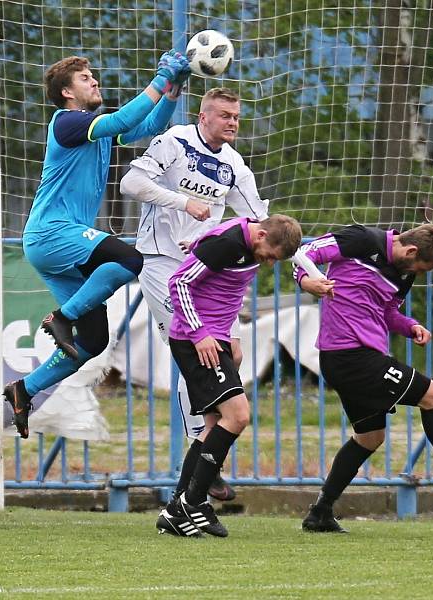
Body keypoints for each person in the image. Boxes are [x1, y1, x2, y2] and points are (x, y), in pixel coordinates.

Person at [2, 52, 191, 439]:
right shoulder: (68, 123)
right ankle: (63, 317)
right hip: (52, 233)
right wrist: (160, 76)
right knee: (129, 259)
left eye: (92, 76)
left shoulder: (95, 128)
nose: (94, 82)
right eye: (85, 78)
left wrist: (173, 89)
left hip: (58, 244)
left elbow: (147, 124)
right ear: (68, 93)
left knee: (92, 343)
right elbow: (123, 119)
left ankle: (25, 390)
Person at [293, 223, 433, 533]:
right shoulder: (360, 239)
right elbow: (303, 253)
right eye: (423, 266)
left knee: (369, 438)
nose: (420, 273)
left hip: (360, 358)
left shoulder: (405, 273)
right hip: (350, 357)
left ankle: (320, 512)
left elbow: (388, 312)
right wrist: (306, 282)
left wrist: (410, 326)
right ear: (411, 251)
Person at [120, 87, 269, 502]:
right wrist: (183, 202)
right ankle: (205, 455)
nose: (232, 122)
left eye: (236, 116)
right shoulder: (174, 142)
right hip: (163, 264)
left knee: (232, 355)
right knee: (197, 351)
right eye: (224, 115)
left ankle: (205, 456)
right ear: (204, 117)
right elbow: (130, 182)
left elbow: (261, 222)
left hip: (205, 273)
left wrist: (302, 266)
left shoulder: (235, 164)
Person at [155, 214, 302, 537]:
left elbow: (224, 282)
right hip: (197, 341)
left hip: (216, 339)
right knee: (237, 416)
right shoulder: (228, 244)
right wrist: (199, 333)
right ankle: (190, 505)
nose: (267, 263)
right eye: (269, 255)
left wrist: (231, 337)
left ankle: (178, 508)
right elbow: (179, 282)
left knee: (211, 427)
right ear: (261, 235)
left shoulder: (244, 238)